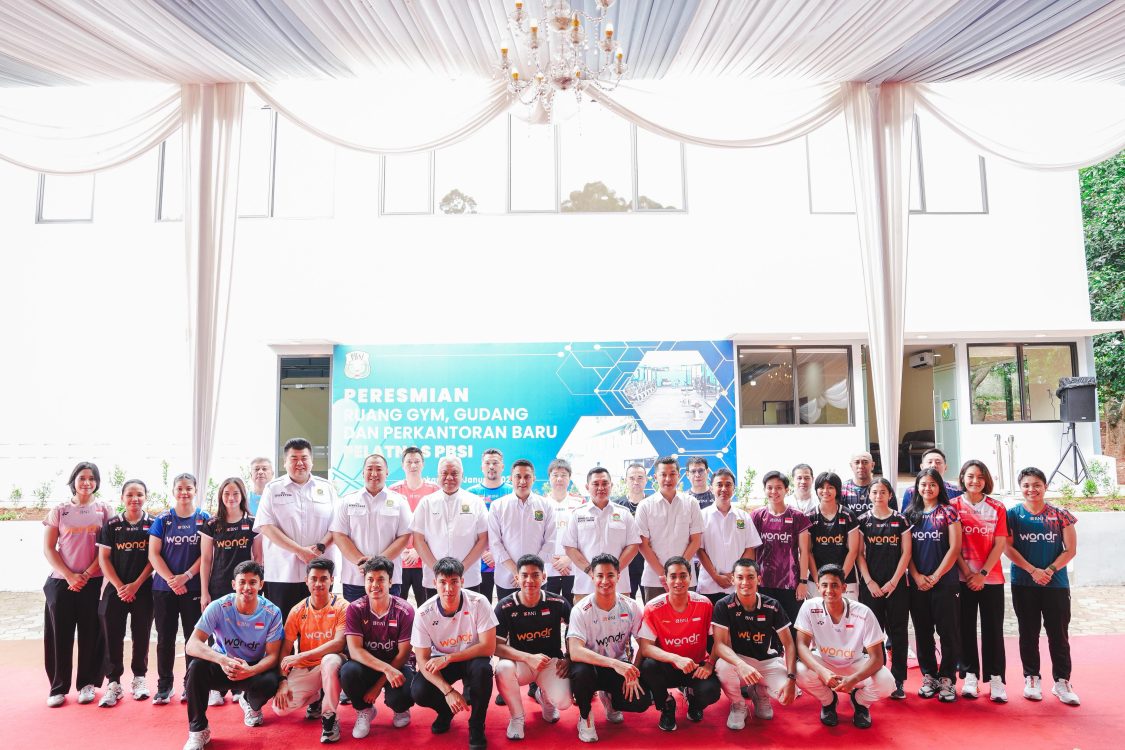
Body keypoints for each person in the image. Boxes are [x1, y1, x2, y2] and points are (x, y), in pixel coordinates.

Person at [181, 560, 283, 750]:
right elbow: (192, 645)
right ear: (234, 584)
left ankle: (250, 702)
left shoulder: (272, 612)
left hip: (252, 668)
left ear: (261, 585)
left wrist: (250, 670)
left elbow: (272, 656)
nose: (247, 587)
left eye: (253, 582)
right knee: (195, 668)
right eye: (242, 582)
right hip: (222, 664)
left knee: (271, 681)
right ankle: (198, 730)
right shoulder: (219, 606)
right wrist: (222, 659)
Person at [1005, 466, 1080, 706]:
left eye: (1037, 485)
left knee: (1058, 634)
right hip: (1024, 583)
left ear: (1045, 487)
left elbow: (1070, 550)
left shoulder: (1060, 515)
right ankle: (1031, 678)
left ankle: (1062, 681)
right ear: (1020, 488)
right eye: (1026, 485)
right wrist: (1032, 570)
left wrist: (1049, 571)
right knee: (1028, 633)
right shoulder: (1012, 515)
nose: (1032, 489)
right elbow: (1007, 547)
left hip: (1055, 584)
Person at [43, 461, 112, 707]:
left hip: (93, 582)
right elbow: (49, 548)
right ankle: (58, 687)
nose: (87, 482)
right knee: (59, 636)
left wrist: (86, 574)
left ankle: (87, 684)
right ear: (73, 481)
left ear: (97, 482)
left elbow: (107, 548)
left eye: (92, 478)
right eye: (82, 478)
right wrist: (70, 575)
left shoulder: (104, 510)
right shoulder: (60, 510)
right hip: (61, 583)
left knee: (91, 634)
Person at [410, 557, 497, 750]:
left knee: (483, 670)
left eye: (454, 582)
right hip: (441, 660)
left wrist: (449, 657)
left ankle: (476, 724)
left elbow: (488, 647)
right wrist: (448, 691)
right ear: (435, 583)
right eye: (443, 582)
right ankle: (446, 711)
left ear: (462, 582)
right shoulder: (424, 613)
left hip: (472, 657)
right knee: (419, 690)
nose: (448, 588)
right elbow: (422, 659)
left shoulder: (479, 602)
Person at [795, 564, 895, 729]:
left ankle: (859, 701)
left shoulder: (863, 612)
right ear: (818, 587)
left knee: (887, 683)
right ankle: (829, 701)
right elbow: (801, 646)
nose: (829, 590)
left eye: (835, 585)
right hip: (825, 662)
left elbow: (878, 658)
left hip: (855, 663)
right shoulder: (809, 607)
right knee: (799, 671)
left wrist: (854, 679)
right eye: (825, 585)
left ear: (844, 587)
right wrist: (821, 671)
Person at [567, 554, 651, 743]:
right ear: (592, 577)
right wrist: (614, 663)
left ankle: (610, 699)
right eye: (600, 575)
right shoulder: (581, 609)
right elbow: (575, 651)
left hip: (618, 667)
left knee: (641, 701)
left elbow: (645, 644)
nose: (605, 581)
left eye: (610, 575)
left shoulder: (631, 606)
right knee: (581, 672)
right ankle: (585, 716)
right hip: (590, 668)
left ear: (618, 576)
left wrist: (633, 671)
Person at [256, 437, 339, 618]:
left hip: (319, 572)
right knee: (282, 626)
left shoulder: (327, 488)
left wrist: (320, 548)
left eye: (304, 458)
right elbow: (266, 526)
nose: (300, 463)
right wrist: (299, 551)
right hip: (282, 573)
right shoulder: (272, 489)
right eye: (294, 458)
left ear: (312, 461)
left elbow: (337, 526)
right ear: (285, 463)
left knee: (319, 625)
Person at [493, 554, 573, 739]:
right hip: (522, 663)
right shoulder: (505, 606)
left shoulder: (558, 602)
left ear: (544, 577)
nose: (530, 580)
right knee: (502, 668)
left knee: (564, 702)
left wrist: (568, 657)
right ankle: (517, 718)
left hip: (550, 662)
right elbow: (496, 647)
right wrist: (527, 657)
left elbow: (575, 632)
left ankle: (545, 698)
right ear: (517, 577)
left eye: (535, 575)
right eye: (525, 575)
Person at [712, 559, 797, 730]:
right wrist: (741, 664)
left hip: (767, 662)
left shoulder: (772, 605)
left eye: (750, 577)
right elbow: (719, 645)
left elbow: (789, 644)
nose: (745, 582)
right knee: (722, 667)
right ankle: (738, 704)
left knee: (787, 695)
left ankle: (759, 692)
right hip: (738, 661)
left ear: (759, 579)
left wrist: (791, 679)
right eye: (740, 577)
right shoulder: (723, 605)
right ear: (733, 579)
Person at [637, 556, 721, 731]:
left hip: (695, 667)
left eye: (683, 576)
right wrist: (675, 658)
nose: (678, 581)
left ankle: (694, 701)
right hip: (667, 666)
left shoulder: (704, 604)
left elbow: (716, 641)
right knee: (648, 666)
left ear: (690, 578)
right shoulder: (653, 607)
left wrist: (709, 665)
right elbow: (645, 647)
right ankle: (666, 704)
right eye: (673, 576)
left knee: (711, 692)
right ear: (665, 580)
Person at [148, 472, 209, 704]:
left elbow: (206, 554)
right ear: (173, 491)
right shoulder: (163, 520)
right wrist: (172, 580)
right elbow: (153, 554)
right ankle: (164, 686)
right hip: (164, 589)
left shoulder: (204, 519)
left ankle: (190, 685)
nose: (184, 492)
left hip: (193, 588)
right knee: (165, 637)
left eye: (188, 488)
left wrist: (186, 576)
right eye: (180, 488)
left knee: (193, 638)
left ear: (195, 491)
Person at [272, 557, 348, 743]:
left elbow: (339, 643)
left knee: (329, 661)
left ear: (332, 580)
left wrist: (302, 655)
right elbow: (285, 648)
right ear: (306, 581)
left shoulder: (342, 607)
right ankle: (316, 696)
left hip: (334, 664)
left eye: (324, 578)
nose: (318, 583)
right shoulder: (297, 610)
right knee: (280, 708)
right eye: (314, 578)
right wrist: (282, 680)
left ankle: (330, 718)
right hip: (308, 667)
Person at [340, 556, 416, 739]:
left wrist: (378, 686)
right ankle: (364, 710)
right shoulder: (355, 608)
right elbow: (355, 651)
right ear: (364, 582)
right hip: (368, 665)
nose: (375, 585)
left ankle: (401, 709)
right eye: (370, 579)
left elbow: (404, 654)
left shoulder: (405, 610)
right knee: (348, 672)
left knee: (402, 696)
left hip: (397, 665)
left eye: (381, 579)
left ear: (390, 582)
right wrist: (385, 670)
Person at [951, 460, 1008, 702]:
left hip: (991, 579)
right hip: (962, 579)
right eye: (971, 476)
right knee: (964, 627)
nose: (975, 481)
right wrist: (968, 573)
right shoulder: (953, 506)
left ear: (987, 480)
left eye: (980, 477)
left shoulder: (997, 507)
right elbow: (953, 545)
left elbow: (1000, 543)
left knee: (993, 629)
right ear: (962, 478)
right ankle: (970, 675)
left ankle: (996, 678)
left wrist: (982, 574)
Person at [96, 479, 155, 707]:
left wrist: (136, 585)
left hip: (143, 589)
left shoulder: (153, 524)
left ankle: (139, 678)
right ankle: (113, 683)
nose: (134, 499)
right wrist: (121, 586)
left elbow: (154, 558)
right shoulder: (112, 525)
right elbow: (104, 559)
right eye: (129, 494)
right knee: (112, 635)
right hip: (115, 590)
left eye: (139, 494)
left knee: (141, 634)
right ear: (122, 498)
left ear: (145, 497)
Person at [906, 467, 963, 702]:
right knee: (923, 632)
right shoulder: (910, 514)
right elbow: (906, 552)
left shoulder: (949, 512)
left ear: (939, 486)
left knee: (948, 631)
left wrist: (937, 576)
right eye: (923, 484)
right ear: (917, 488)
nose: (927, 488)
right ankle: (929, 675)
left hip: (945, 582)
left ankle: (947, 678)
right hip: (918, 584)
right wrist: (916, 576)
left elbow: (955, 548)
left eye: (932, 484)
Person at [856, 478, 911, 699]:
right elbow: (859, 554)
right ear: (869, 495)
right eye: (875, 492)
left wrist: (894, 581)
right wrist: (869, 582)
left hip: (896, 586)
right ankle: (876, 675)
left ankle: (898, 680)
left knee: (898, 632)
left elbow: (906, 553)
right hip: (871, 586)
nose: (878, 496)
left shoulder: (901, 520)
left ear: (890, 495)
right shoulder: (862, 521)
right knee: (872, 634)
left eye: (883, 492)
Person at [331, 453, 412, 602]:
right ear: (363, 473)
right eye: (370, 469)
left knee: (388, 616)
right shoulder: (348, 500)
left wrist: (378, 563)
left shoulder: (399, 502)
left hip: (388, 578)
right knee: (355, 616)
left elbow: (404, 536)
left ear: (387, 473)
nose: (374, 474)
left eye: (379, 469)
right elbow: (339, 535)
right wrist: (361, 562)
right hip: (355, 577)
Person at [411, 456, 489, 601]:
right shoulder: (426, 503)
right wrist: (437, 570)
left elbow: (483, 539)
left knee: (469, 614)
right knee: (436, 614)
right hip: (435, 579)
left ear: (462, 476)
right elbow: (418, 540)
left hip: (468, 577)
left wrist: (461, 568)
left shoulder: (476, 502)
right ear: (438, 475)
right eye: (444, 473)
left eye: (454, 473)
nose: (449, 477)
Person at [562, 467, 642, 603]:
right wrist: (590, 571)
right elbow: (570, 547)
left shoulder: (624, 513)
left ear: (611, 485)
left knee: (621, 617)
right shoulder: (577, 514)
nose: (601, 488)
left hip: (619, 586)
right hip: (585, 587)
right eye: (595, 484)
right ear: (587, 487)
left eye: (605, 483)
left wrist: (614, 571)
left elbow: (633, 546)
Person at [487, 460, 557, 603]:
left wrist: (529, 573)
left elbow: (550, 542)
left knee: (539, 616)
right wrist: (516, 572)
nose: (522, 481)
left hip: (537, 579)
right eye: (518, 476)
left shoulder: (546, 506)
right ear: (511, 478)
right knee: (507, 616)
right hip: (507, 579)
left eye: (527, 476)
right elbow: (495, 544)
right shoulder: (498, 506)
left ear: (534, 478)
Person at [636, 456, 703, 601]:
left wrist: (678, 571)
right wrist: (664, 574)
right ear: (655, 477)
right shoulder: (645, 505)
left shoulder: (691, 503)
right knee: (655, 615)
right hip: (655, 579)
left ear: (679, 475)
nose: (668, 479)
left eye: (672, 474)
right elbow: (643, 544)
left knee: (687, 615)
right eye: (663, 474)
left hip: (685, 578)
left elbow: (696, 541)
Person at [750, 471, 811, 628]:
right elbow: (750, 550)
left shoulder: (798, 516)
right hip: (763, 583)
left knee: (792, 627)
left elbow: (804, 552)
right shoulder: (756, 516)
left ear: (786, 490)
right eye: (769, 488)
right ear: (764, 490)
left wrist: (803, 582)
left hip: (790, 584)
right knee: (763, 627)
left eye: (778, 488)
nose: (774, 491)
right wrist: (752, 580)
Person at [697, 468, 761, 604]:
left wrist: (734, 575)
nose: (724, 489)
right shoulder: (702, 516)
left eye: (728, 484)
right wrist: (715, 576)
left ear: (734, 488)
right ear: (711, 488)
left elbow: (750, 549)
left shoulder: (744, 517)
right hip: (709, 586)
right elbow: (699, 549)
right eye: (719, 484)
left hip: (738, 586)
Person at [199, 477, 261, 611]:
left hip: (245, 587)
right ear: (221, 496)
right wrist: (204, 592)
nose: (231, 498)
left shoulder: (253, 523)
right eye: (226, 493)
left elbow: (258, 558)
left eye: (235, 493)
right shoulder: (211, 524)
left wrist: (256, 586)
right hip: (218, 586)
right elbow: (206, 559)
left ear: (242, 495)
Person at [388, 446, 439, 605]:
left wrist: (418, 550)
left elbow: (437, 527)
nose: (413, 465)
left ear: (423, 464)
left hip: (426, 561)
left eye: (417, 461)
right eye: (409, 462)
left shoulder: (434, 490)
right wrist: (401, 549)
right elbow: (388, 526)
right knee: (397, 608)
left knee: (427, 607)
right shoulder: (393, 491)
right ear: (402, 465)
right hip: (399, 560)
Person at [467, 448, 512, 602]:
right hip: (479, 563)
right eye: (487, 463)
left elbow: (514, 530)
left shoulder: (512, 492)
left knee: (506, 609)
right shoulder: (470, 494)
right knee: (480, 608)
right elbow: (467, 529)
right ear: (482, 467)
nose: (491, 466)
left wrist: (496, 553)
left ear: (502, 467)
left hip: (507, 563)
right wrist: (483, 552)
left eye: (495, 463)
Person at [806, 472, 861, 598]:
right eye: (821, 487)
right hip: (817, 580)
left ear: (837, 490)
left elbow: (853, 551)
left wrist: (840, 579)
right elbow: (807, 552)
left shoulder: (848, 515)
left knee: (848, 610)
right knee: (818, 610)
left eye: (830, 487)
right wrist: (818, 580)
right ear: (816, 490)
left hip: (846, 579)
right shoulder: (810, 516)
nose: (825, 491)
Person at [544, 458, 585, 601]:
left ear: (570, 478)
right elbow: (536, 536)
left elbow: (585, 536)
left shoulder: (580, 503)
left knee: (573, 609)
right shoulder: (541, 503)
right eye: (555, 475)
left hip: (573, 566)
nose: (559, 479)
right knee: (548, 609)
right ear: (549, 478)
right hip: (548, 567)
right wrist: (552, 559)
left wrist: (569, 559)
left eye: (563, 475)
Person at [611, 462, 648, 598]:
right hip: (624, 564)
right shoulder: (615, 505)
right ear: (625, 480)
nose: (636, 482)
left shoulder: (653, 503)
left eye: (640, 478)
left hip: (649, 563)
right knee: (625, 605)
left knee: (652, 603)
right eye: (632, 478)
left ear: (646, 480)